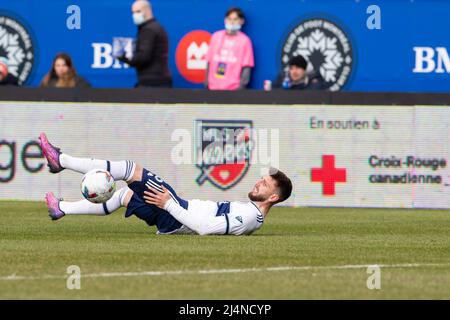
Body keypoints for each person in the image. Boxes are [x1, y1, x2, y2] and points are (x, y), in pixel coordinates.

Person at [39, 133, 292, 236]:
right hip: (175, 216)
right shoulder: (250, 210)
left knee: (131, 170)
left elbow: (205, 228)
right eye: (262, 178)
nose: (259, 182)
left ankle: (60, 160)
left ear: (273, 198)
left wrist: (170, 204)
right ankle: (62, 209)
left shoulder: (249, 216)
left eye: (266, 184)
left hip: (177, 215)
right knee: (124, 195)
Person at [117, 0, 172, 88]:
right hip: (158, 80)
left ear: (147, 11)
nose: (135, 15)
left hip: (152, 83)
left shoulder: (148, 30)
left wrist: (125, 58)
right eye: (133, 13)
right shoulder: (157, 27)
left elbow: (143, 58)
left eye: (138, 11)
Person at [205, 7, 254, 90]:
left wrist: (240, 88)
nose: (231, 22)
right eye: (229, 19)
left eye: (235, 19)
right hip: (212, 88)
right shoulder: (215, 37)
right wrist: (207, 83)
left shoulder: (245, 41)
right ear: (225, 20)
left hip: (233, 89)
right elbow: (209, 62)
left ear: (241, 21)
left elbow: (247, 68)